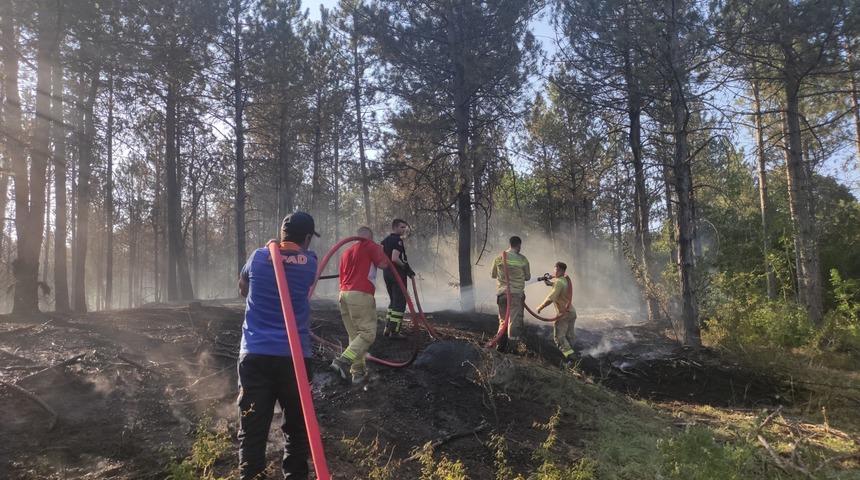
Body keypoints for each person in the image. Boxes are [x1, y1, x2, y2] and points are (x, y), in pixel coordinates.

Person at [236, 211, 320, 480]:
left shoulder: (258, 257)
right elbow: (304, 281)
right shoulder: (310, 262)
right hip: (294, 358)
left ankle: (251, 476)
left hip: (255, 354)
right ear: (307, 238)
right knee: (297, 428)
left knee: (252, 428)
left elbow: (243, 287)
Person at [329, 226, 389, 384]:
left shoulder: (346, 252)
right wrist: (382, 250)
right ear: (370, 237)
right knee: (368, 334)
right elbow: (384, 264)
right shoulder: (371, 246)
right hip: (361, 294)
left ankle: (358, 373)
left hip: (344, 295)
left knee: (355, 336)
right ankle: (342, 361)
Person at [491, 236, 530, 352]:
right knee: (514, 321)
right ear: (519, 245)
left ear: (509, 244)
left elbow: (493, 275)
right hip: (516, 295)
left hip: (502, 295)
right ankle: (512, 348)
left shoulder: (498, 258)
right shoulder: (523, 259)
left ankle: (500, 346)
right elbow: (527, 277)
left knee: (503, 320)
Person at [536, 261, 577, 366]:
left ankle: (571, 359)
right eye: (554, 269)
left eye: (556, 269)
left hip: (563, 314)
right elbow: (559, 286)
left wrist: (540, 307)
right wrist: (550, 283)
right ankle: (573, 354)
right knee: (569, 336)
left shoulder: (559, 282)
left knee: (559, 337)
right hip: (571, 313)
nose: (554, 271)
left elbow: (551, 298)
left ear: (561, 270)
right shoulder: (564, 280)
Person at [381, 218, 414, 338]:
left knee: (393, 302)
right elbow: (395, 258)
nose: (404, 229)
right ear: (394, 227)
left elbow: (381, 257)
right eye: (401, 227)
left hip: (387, 274)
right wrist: (405, 267)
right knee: (399, 303)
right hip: (397, 275)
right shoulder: (397, 240)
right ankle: (394, 332)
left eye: (405, 227)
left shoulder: (385, 241)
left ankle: (387, 329)